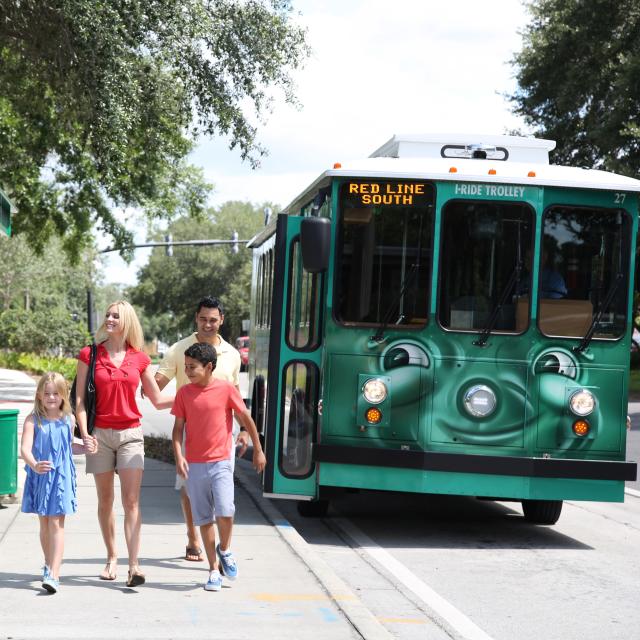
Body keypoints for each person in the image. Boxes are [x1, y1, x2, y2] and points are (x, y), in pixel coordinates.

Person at [75, 300, 173, 587]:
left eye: (115, 316)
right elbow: (80, 401)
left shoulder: (140, 358)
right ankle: (111, 557)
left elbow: (156, 399)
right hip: (100, 436)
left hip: (131, 433)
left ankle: (134, 565)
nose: (109, 319)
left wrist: (197, 393)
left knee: (131, 502)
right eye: (107, 314)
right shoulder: (89, 354)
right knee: (105, 501)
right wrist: (85, 433)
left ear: (127, 321)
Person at [154, 296, 250, 562]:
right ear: (196, 318)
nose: (208, 324)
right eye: (203, 319)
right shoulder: (178, 349)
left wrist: (243, 429)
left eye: (213, 320)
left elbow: (236, 395)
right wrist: (188, 401)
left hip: (223, 435)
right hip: (190, 433)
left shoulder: (231, 354)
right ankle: (192, 537)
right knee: (188, 489)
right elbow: (155, 386)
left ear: (221, 321)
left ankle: (223, 548)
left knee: (223, 493)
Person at [171, 342, 266, 591]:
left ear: (209, 366)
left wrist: (258, 449)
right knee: (203, 518)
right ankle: (213, 570)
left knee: (225, 511)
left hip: (221, 461)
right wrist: (179, 456)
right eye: (186, 366)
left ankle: (224, 549)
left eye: (193, 367)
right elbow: (178, 429)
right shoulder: (184, 393)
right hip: (194, 464)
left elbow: (246, 418)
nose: (188, 371)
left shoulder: (225, 390)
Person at [20, 372, 98, 593]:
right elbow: (25, 449)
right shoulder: (32, 420)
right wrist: (34, 464)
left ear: (63, 396)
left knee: (56, 523)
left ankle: (54, 573)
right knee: (44, 524)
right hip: (41, 476)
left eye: (56, 393)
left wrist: (85, 448)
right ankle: (48, 564)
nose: (51, 397)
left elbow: (68, 447)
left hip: (61, 478)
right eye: (47, 393)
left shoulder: (68, 420)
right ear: (39, 395)